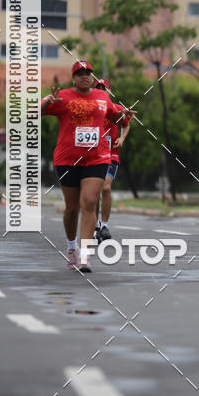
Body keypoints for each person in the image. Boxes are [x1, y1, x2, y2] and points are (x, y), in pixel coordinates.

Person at [41, 61, 132, 273]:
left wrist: (125, 115)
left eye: (88, 73)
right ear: (73, 77)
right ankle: (72, 248)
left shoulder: (102, 97)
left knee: (90, 202)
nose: (84, 76)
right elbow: (32, 113)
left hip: (97, 157)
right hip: (67, 159)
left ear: (92, 76)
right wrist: (46, 103)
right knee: (72, 209)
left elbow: (116, 116)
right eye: (79, 73)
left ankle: (84, 255)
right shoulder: (62, 97)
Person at [93, 78, 130, 243]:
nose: (101, 90)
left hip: (111, 155)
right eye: (98, 88)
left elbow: (126, 124)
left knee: (105, 187)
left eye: (104, 88)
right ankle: (95, 226)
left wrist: (122, 138)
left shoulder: (116, 108)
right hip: (93, 156)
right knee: (93, 192)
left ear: (109, 91)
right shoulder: (89, 109)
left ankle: (104, 225)